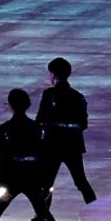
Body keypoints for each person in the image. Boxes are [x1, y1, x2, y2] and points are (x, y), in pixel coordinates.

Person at [0, 89, 63, 221]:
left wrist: (3, 187)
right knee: (44, 213)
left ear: (10, 106)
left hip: (12, 179)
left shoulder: (4, 130)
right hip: (33, 178)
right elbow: (45, 157)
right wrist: (46, 184)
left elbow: (3, 160)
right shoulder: (38, 129)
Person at [38, 57, 97, 205]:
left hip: (53, 144)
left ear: (53, 74)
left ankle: (43, 218)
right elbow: (83, 123)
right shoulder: (78, 96)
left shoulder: (49, 94)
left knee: (46, 184)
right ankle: (95, 210)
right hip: (73, 144)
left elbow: (40, 119)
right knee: (81, 182)